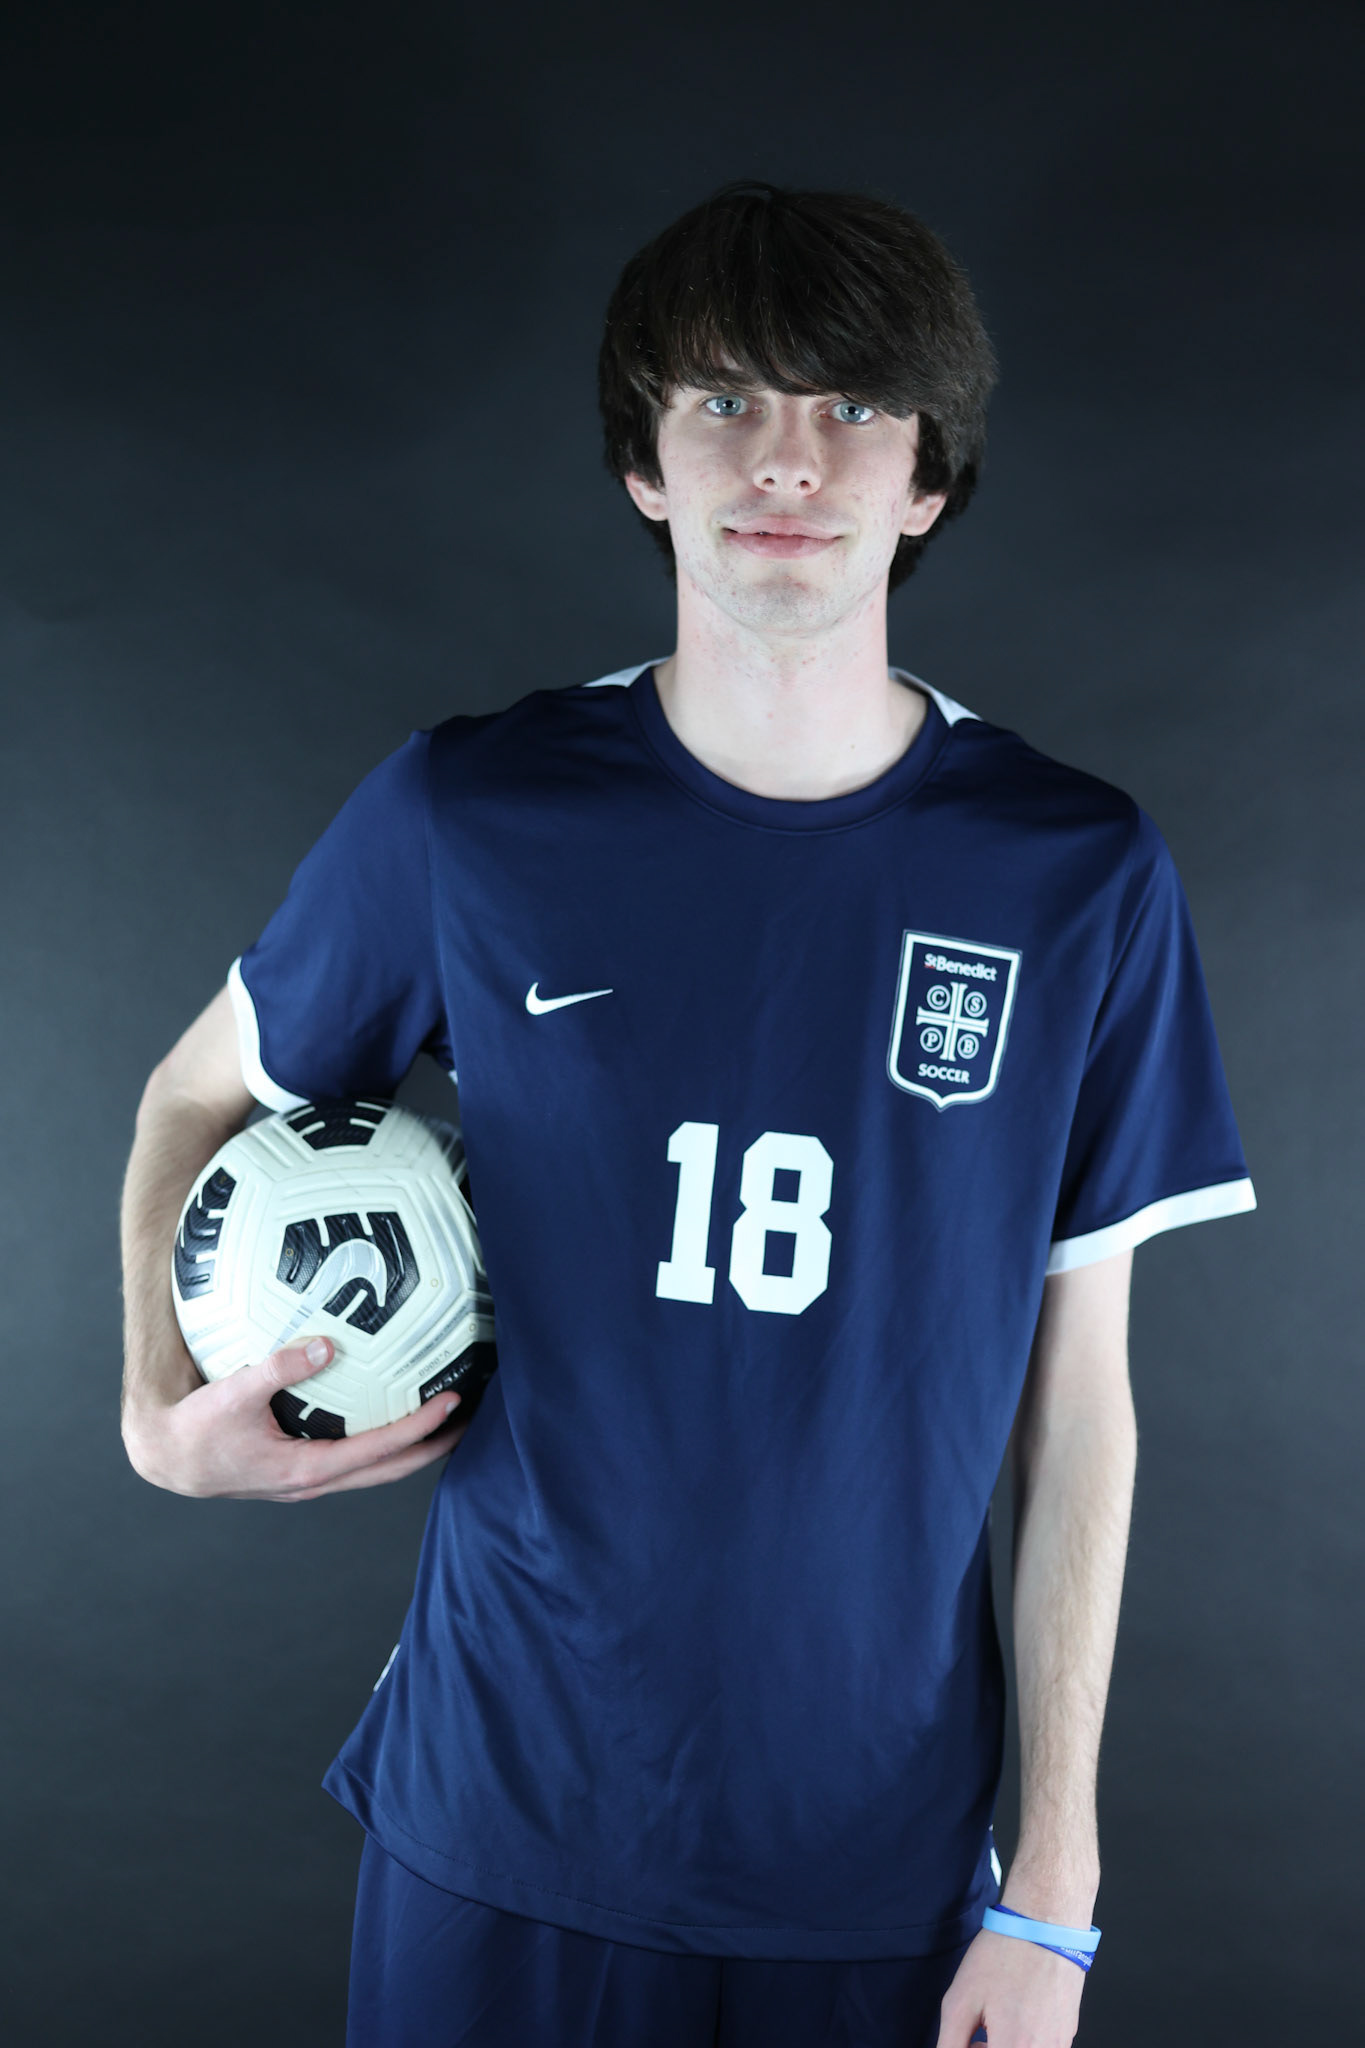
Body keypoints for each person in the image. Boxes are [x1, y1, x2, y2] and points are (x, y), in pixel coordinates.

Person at [120, 181, 1255, 2048]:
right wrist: (165, 1412)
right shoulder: (471, 813)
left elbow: (1080, 1398)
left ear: (930, 480)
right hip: (499, 1820)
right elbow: (196, 1091)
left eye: (853, 406)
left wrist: (1052, 1894)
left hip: (878, 1867)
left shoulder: (1075, 873)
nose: (788, 459)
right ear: (644, 465)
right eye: (724, 398)